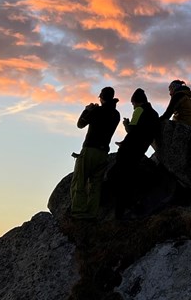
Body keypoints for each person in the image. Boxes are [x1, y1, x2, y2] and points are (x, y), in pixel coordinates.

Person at [105, 88, 161, 213]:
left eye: (133, 104)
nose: (133, 107)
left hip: (128, 150)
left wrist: (126, 124)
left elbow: (132, 131)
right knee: (128, 177)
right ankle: (129, 206)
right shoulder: (155, 114)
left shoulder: (139, 110)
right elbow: (144, 134)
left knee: (114, 176)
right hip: (139, 151)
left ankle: (118, 210)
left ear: (137, 102)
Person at [69, 86, 120, 219]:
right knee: (96, 184)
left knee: (79, 181)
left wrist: (87, 110)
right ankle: (92, 213)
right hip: (103, 153)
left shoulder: (97, 111)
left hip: (90, 150)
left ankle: (79, 211)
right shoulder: (116, 114)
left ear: (102, 98)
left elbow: (80, 124)